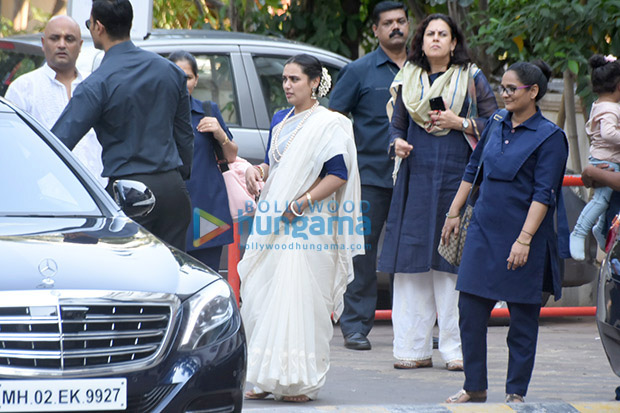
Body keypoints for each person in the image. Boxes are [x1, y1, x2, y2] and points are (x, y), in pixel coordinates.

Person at [442, 60, 569, 403]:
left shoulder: (550, 137)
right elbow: (473, 170)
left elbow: (545, 194)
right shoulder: (497, 122)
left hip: (524, 236)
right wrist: (454, 213)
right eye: (503, 87)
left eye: (512, 89)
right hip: (483, 229)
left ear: (534, 92)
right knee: (469, 310)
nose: (504, 94)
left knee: (523, 319)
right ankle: (475, 386)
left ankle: (516, 392)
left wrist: (524, 239)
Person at [239, 54, 363, 402]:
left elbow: (338, 174)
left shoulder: (329, 123)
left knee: (300, 298)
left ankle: (298, 380)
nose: (288, 85)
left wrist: (303, 201)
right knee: (264, 293)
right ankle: (264, 377)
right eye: (284, 79)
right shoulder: (281, 119)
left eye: (295, 79)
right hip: (274, 220)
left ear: (314, 83)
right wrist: (256, 171)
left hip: (309, 223)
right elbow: (274, 162)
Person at [378, 13, 497, 371]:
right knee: (411, 266)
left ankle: (456, 352)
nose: (435, 39)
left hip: (456, 180)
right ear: (422, 40)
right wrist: (396, 143)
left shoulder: (471, 76)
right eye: (430, 33)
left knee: (452, 265)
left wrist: (459, 122)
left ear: (454, 42)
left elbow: (495, 121)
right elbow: (395, 126)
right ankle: (412, 350)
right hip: (415, 180)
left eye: (442, 34)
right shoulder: (408, 78)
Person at [52, 0, 194, 252]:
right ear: (129, 24)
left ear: (98, 27)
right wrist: (176, 178)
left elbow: (58, 145)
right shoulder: (171, 72)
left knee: (128, 283)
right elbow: (184, 137)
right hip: (173, 189)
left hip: (130, 191)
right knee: (174, 279)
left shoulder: (97, 84)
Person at [328, 1, 409, 351]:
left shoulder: (424, 71)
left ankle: (415, 326)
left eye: (401, 21)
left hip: (415, 177)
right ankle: (356, 325)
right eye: (388, 23)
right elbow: (332, 118)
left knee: (413, 254)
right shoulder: (359, 71)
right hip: (370, 178)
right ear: (375, 30)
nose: (396, 27)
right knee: (362, 253)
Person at [5, 15, 106, 187]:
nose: (61, 44)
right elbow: (11, 148)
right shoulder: (23, 88)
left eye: (69, 39)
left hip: (97, 194)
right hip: (46, 196)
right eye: (55, 38)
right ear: (44, 44)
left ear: (80, 46)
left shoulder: (95, 84)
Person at [169, 50, 238, 271]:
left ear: (196, 80)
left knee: (206, 279)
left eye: (187, 77)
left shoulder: (208, 111)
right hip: (168, 211)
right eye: (176, 75)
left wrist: (220, 133)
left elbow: (231, 155)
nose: (182, 82)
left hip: (206, 210)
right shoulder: (155, 112)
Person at [570, 54, 620, 260]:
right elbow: (609, 133)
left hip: (603, 161)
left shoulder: (600, 105)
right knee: (600, 202)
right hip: (606, 162)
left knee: (602, 201)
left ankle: (597, 229)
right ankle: (580, 231)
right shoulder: (610, 108)